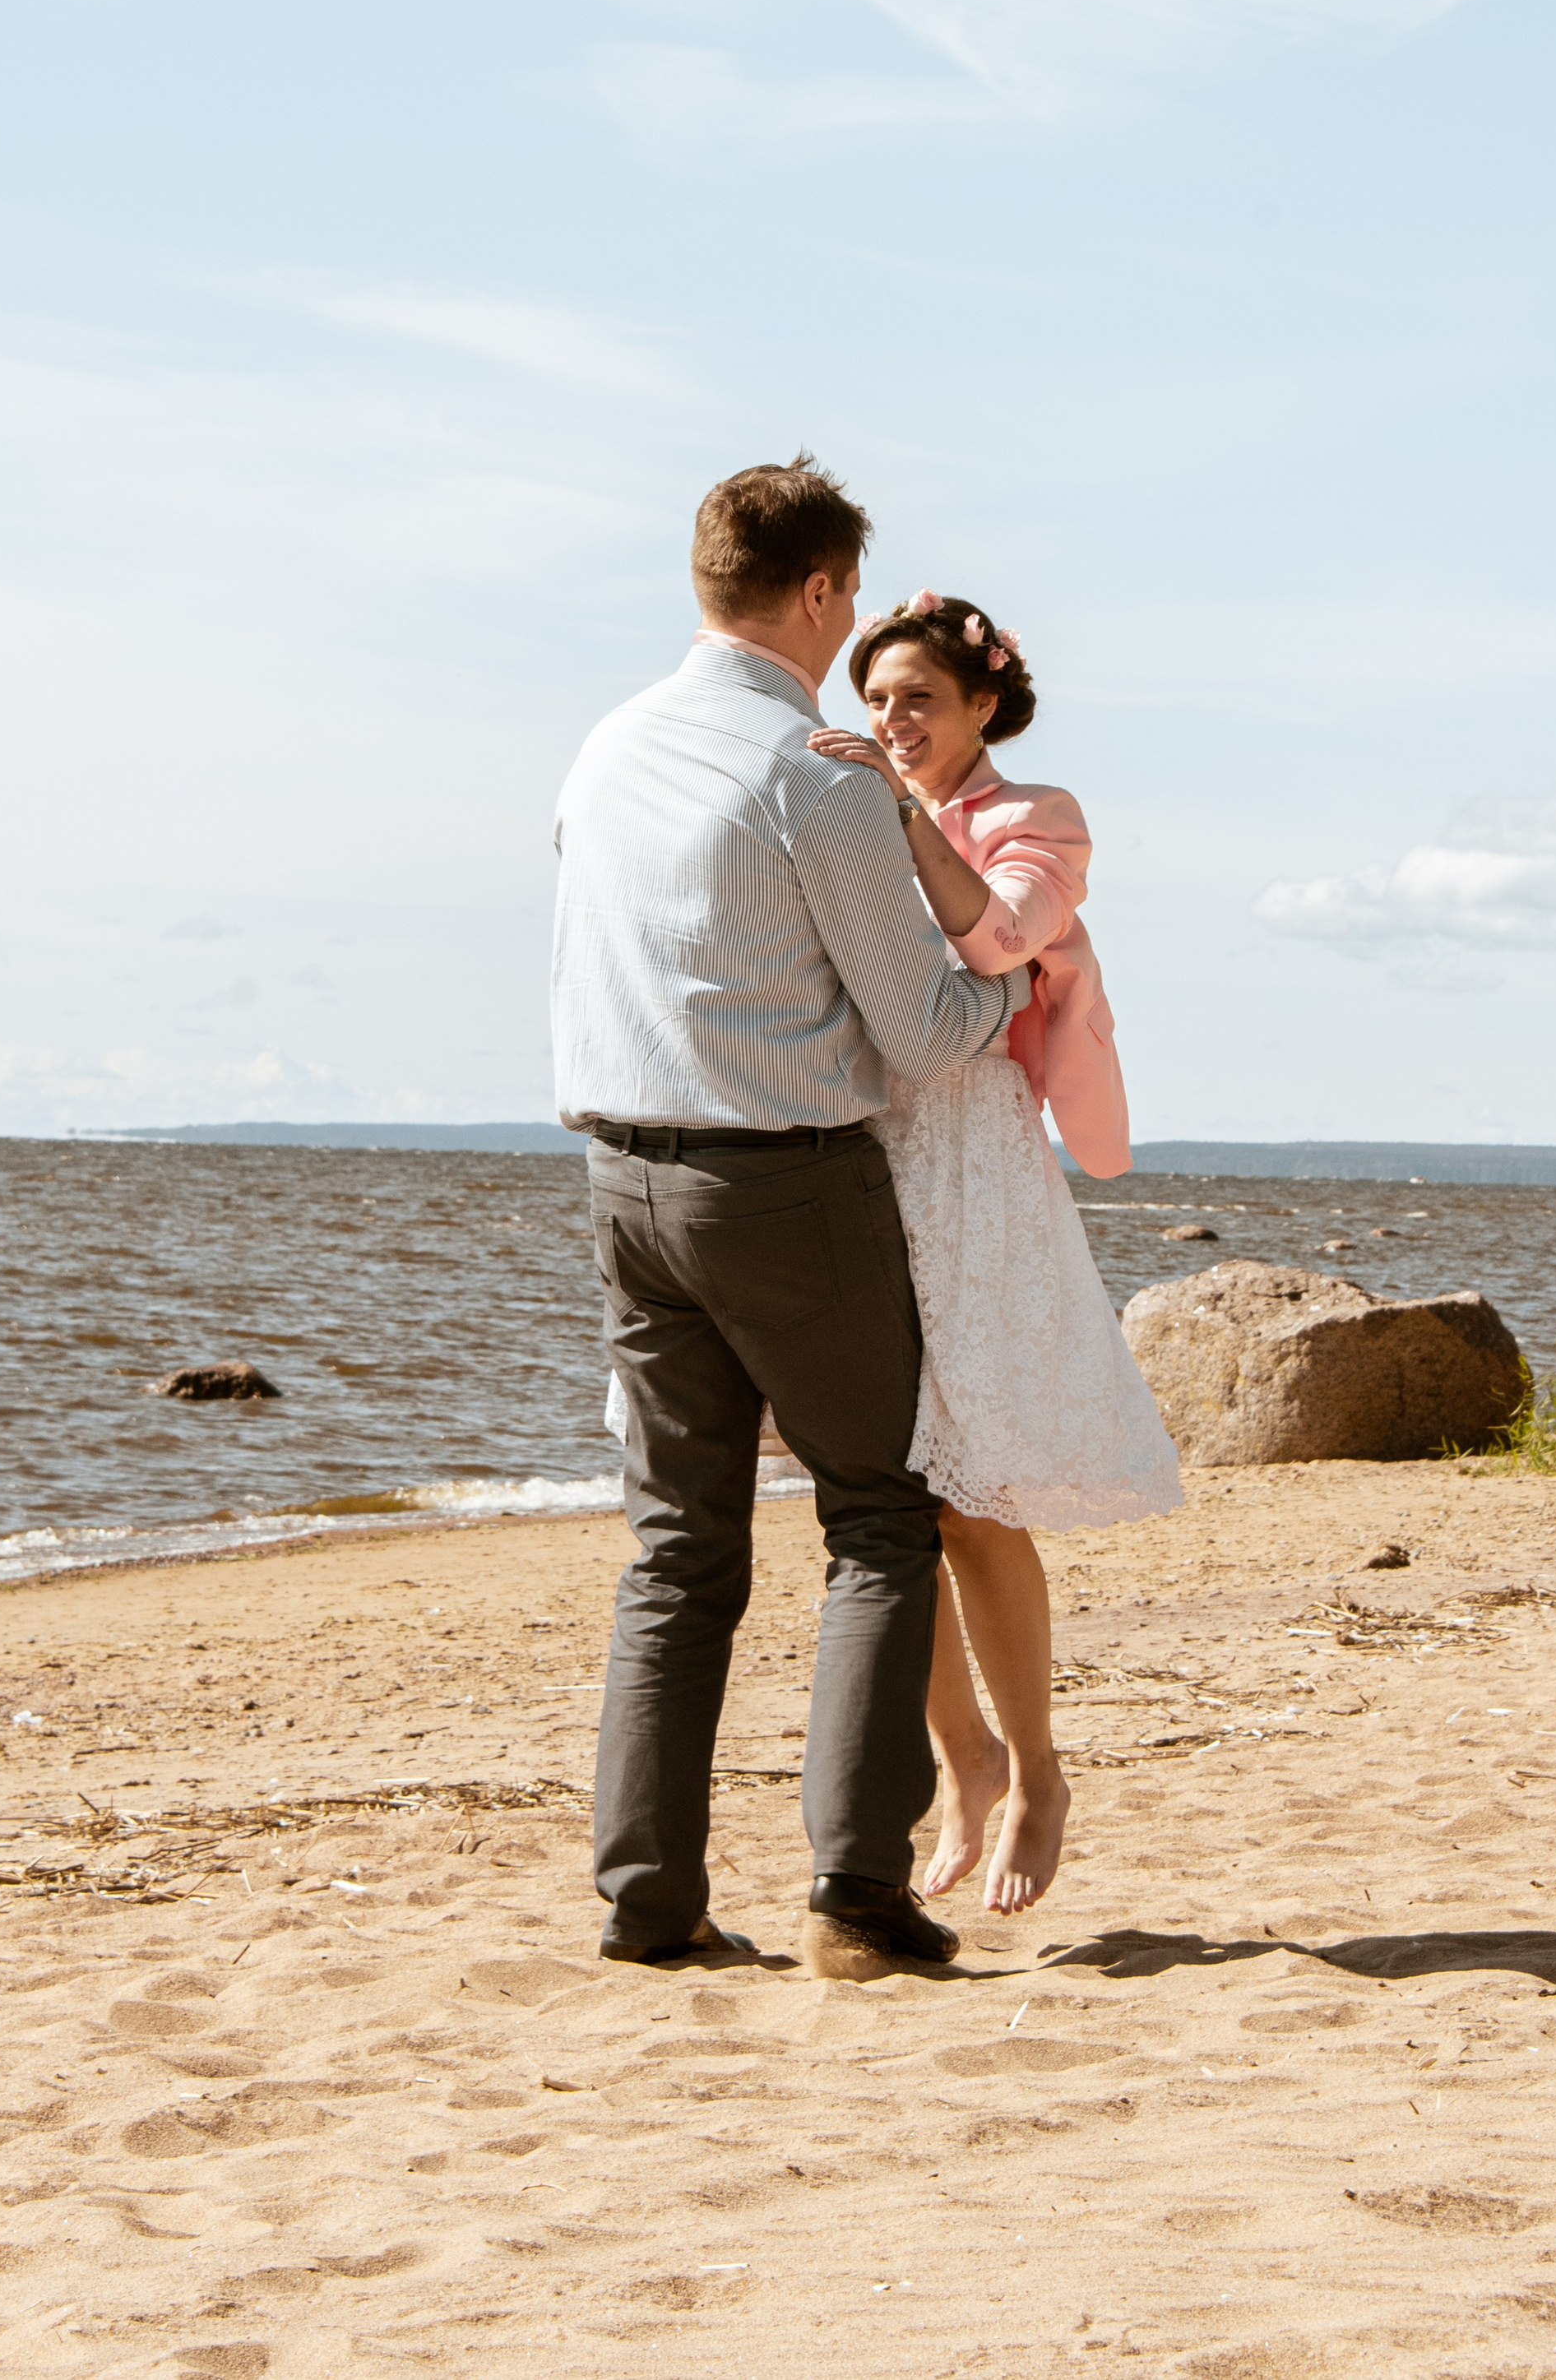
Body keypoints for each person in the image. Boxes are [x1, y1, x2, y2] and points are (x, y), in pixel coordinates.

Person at [551, 458, 1027, 1978]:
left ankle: (649, 1902)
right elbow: (923, 1025)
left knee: (677, 1547)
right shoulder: (814, 772)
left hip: (621, 1177)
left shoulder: (604, 748)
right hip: (782, 1177)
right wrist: (1022, 977)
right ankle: (857, 1896)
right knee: (878, 1521)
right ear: (820, 593)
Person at [808, 591, 1181, 1913]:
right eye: (877, 698)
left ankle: (1038, 1770)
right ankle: (955, 1756)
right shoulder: (842, 799)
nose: (893, 721)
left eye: (919, 697)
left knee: (982, 1496)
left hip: (972, 1151)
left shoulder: (1039, 818)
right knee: (882, 1498)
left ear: (982, 708)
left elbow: (1001, 938)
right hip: (862, 1147)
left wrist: (904, 817)